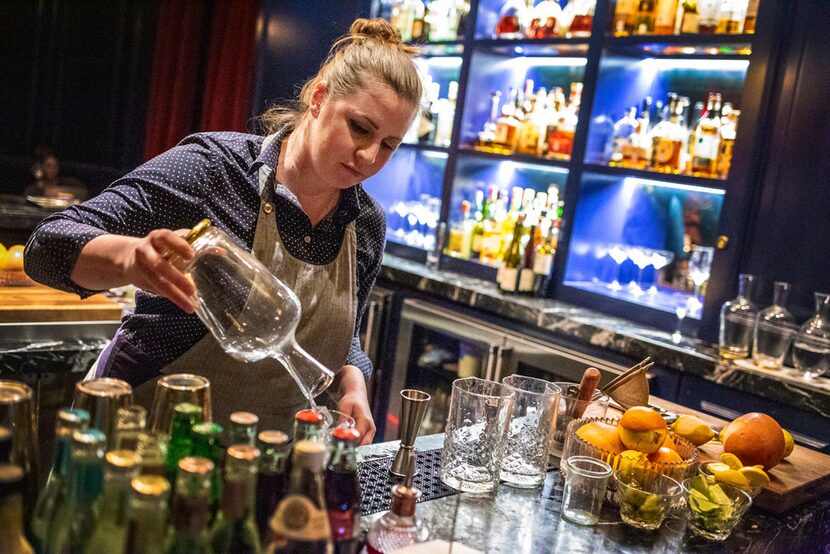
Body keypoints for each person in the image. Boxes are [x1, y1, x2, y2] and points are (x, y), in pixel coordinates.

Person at [24, 18, 423, 444]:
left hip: (260, 460)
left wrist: (354, 384)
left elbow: (344, 337)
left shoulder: (365, 223)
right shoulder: (212, 170)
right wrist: (128, 258)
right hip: (141, 437)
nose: (368, 156)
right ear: (320, 97)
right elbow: (45, 246)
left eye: (388, 145)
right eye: (359, 128)